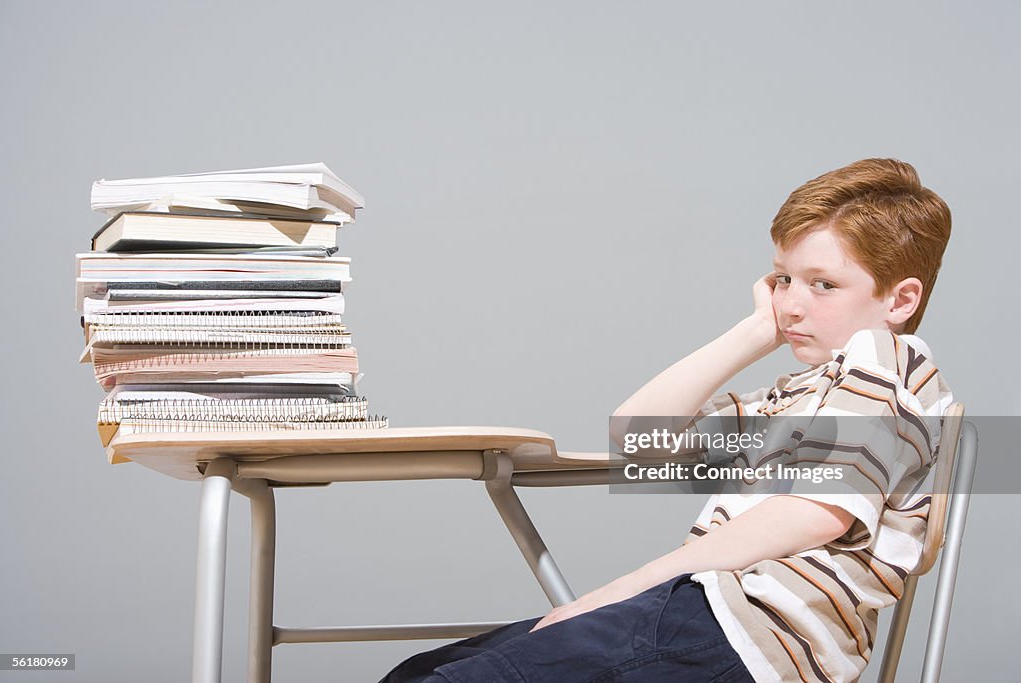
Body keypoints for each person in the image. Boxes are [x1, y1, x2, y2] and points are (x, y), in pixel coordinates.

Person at [378, 158, 953, 683]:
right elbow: (637, 439)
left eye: (823, 284)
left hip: (752, 632)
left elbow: (810, 513)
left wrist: (623, 589)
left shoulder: (884, 362)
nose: (791, 304)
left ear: (899, 301)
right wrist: (753, 333)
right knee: (423, 672)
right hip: (707, 613)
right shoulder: (799, 394)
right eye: (782, 279)